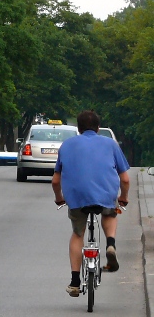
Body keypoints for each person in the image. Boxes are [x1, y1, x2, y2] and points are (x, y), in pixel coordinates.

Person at [52, 110, 130, 298]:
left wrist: (59, 198)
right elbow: (125, 179)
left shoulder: (67, 145)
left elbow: (55, 181)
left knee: (78, 234)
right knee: (110, 213)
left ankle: (74, 282)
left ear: (78, 129)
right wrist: (123, 197)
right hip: (105, 195)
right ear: (98, 128)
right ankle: (110, 244)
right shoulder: (110, 144)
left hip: (76, 198)